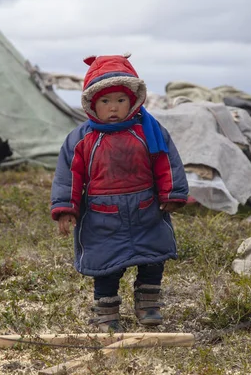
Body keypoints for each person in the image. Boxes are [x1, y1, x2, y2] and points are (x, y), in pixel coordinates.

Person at [50, 53, 188, 332]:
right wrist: (66, 207)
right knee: (106, 266)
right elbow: (69, 175)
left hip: (146, 208)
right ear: (92, 103)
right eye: (105, 101)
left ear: (133, 101)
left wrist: (171, 194)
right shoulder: (82, 138)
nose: (113, 108)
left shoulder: (148, 130)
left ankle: (148, 305)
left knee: (153, 258)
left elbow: (166, 162)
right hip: (103, 215)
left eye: (120, 100)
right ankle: (107, 313)